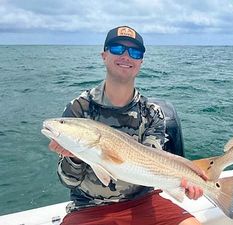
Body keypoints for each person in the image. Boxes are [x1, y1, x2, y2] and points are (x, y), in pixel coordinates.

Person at [48, 25, 204, 225]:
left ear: (140, 62)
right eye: (117, 49)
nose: (126, 56)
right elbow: (68, 181)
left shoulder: (152, 113)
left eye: (134, 52)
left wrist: (186, 183)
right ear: (104, 55)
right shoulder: (80, 108)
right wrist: (75, 159)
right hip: (89, 207)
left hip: (144, 201)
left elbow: (152, 163)